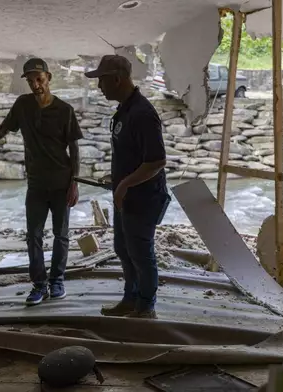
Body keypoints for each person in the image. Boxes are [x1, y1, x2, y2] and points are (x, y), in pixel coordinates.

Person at [0, 58, 83, 306]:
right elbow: (1, 130)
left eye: (39, 79)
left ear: (49, 78)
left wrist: (74, 183)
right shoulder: (23, 106)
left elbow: (75, 149)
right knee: (33, 235)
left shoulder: (65, 110)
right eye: (31, 80)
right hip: (36, 183)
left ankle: (57, 281)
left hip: (61, 183)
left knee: (60, 235)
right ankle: (39, 285)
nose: (35, 85)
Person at [85, 55, 170, 319]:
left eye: (102, 79)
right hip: (127, 197)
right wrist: (119, 181)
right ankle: (130, 300)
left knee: (142, 254)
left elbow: (156, 161)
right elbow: (132, 156)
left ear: (117, 79)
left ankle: (146, 307)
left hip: (143, 199)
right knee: (124, 249)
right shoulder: (125, 109)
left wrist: (124, 185)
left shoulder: (143, 113)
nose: (99, 86)